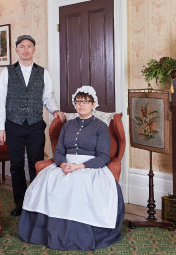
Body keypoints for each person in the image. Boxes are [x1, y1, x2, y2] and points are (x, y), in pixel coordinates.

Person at [18, 86, 124, 251]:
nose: (81, 105)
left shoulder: (100, 127)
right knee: (47, 181)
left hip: (89, 167)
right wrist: (62, 164)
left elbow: (104, 157)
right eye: (78, 101)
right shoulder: (68, 125)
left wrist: (80, 166)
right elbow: (59, 150)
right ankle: (44, 232)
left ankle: (75, 235)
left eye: (86, 102)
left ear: (94, 104)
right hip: (65, 163)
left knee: (78, 182)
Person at [0, 34, 65, 216]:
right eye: (22, 46)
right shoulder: (7, 72)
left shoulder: (43, 72)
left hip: (34, 125)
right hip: (13, 125)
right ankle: (20, 203)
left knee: (36, 164)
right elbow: (0, 100)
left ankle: (36, 202)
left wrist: (55, 110)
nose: (26, 50)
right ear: (16, 50)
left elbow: (47, 97)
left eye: (29, 46)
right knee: (16, 166)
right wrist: (0, 128)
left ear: (34, 49)